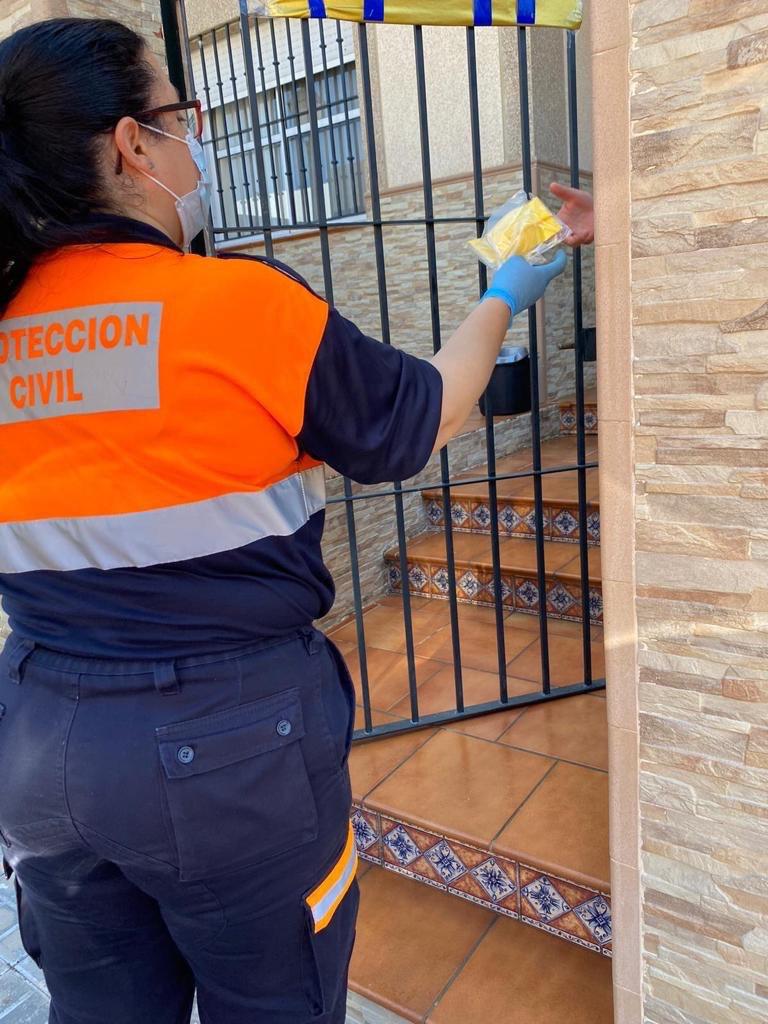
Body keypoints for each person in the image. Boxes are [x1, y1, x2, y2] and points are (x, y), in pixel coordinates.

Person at [0, 17, 570, 1024]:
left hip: (39, 737)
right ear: (132, 145)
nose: (196, 139)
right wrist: (502, 293)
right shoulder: (234, 305)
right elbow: (421, 418)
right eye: (182, 115)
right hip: (225, 755)